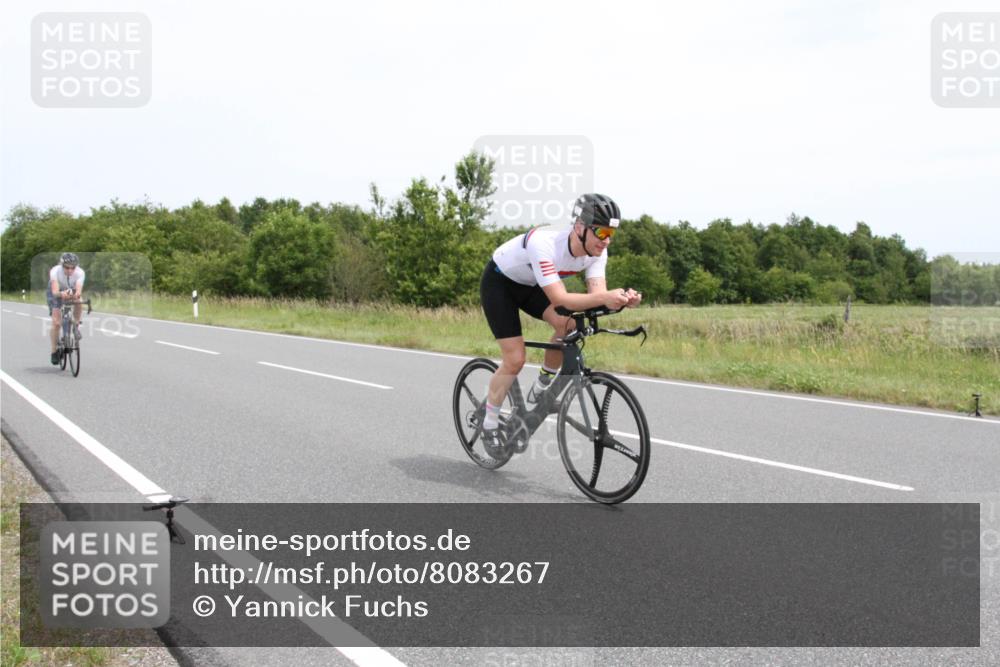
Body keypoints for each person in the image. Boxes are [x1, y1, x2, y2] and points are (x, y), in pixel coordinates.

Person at [479, 193, 642, 457]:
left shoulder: (598, 251)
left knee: (568, 325)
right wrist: (606, 297)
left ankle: (541, 384)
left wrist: (621, 301)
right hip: (501, 284)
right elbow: (560, 298)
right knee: (515, 359)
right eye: (601, 231)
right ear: (579, 227)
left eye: (611, 233)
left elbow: (595, 297)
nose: (607, 240)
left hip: (532, 285)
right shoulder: (545, 243)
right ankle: (489, 424)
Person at [48, 252, 85, 365]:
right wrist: (61, 294)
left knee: (79, 301)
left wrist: (75, 295)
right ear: (61, 265)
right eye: (67, 267)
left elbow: (78, 290)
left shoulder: (80, 273)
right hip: (56, 292)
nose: (70, 270)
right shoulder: (55, 271)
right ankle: (54, 351)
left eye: (72, 268)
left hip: (71, 290)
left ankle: (76, 325)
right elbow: (55, 292)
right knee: (56, 323)